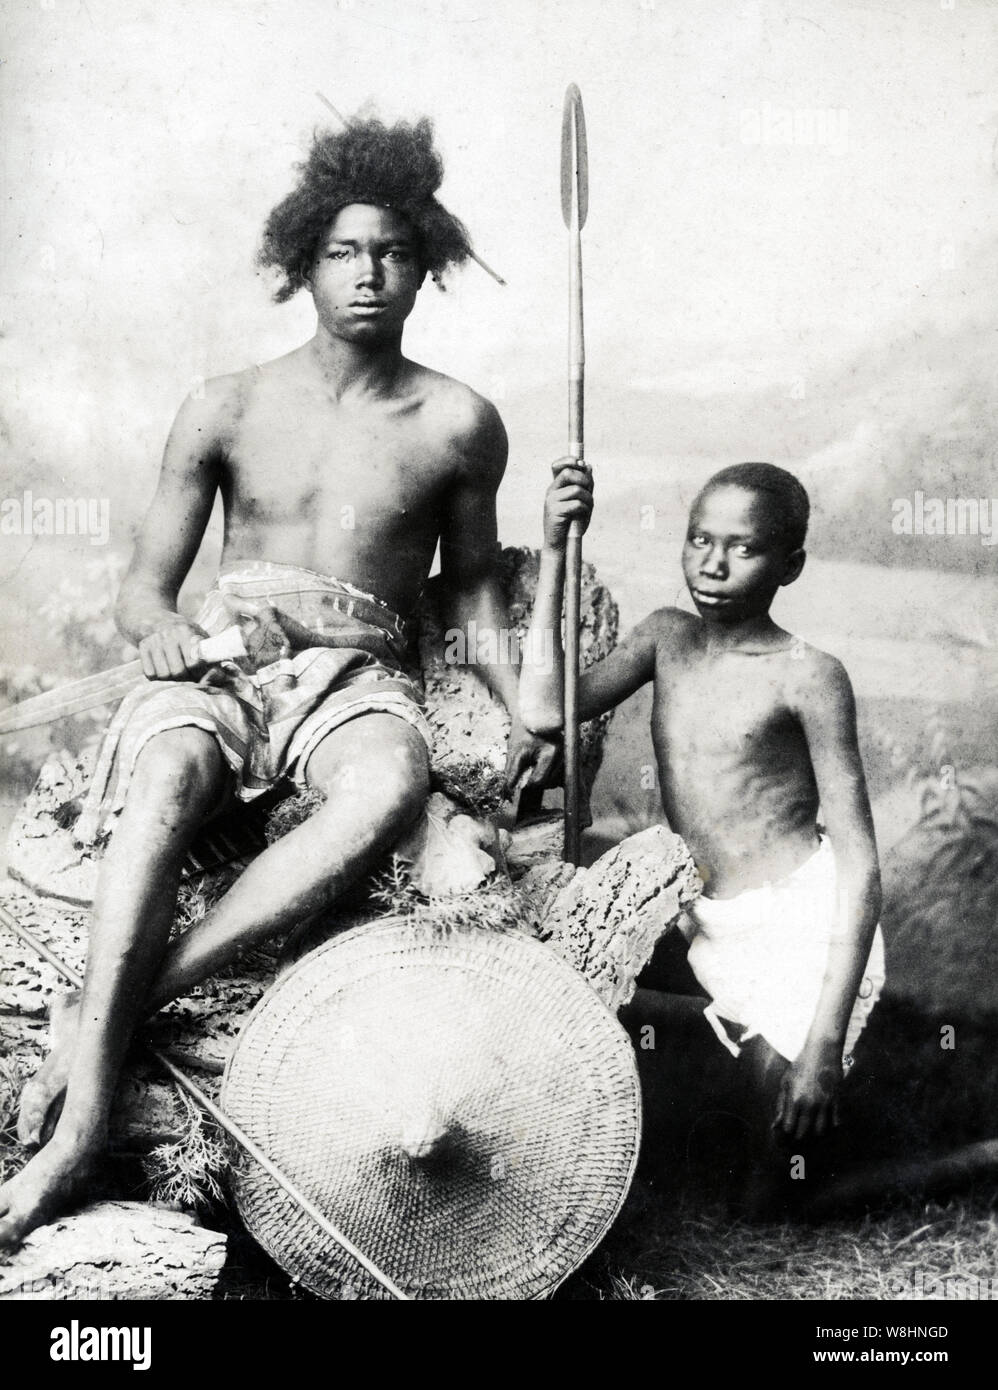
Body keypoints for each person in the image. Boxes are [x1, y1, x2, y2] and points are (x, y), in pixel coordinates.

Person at [0, 115, 554, 1247]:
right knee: (164, 773)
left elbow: (479, 608)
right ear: (302, 259)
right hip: (225, 656)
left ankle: (100, 1031)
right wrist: (160, 637)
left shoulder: (458, 423)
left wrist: (533, 704)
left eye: (392, 253)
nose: (367, 274)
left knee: (387, 781)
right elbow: (147, 592)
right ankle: (88, 1117)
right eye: (345, 251)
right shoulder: (224, 405)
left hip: (355, 671)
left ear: (426, 265)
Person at [519, 458, 885, 1214]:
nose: (711, 565)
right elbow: (546, 709)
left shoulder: (809, 675)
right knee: (555, 955)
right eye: (697, 540)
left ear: (791, 566)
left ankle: (975, 1156)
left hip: (795, 934)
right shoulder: (666, 638)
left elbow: (860, 865)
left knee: (776, 1198)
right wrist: (554, 549)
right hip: (697, 918)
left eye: (742, 548)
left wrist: (822, 1041)